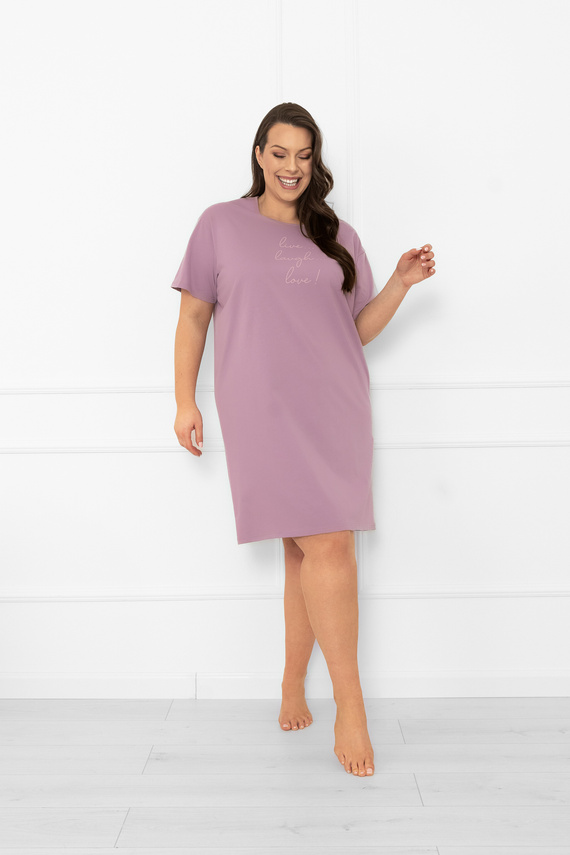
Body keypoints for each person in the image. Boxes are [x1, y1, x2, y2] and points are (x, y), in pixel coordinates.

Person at [170, 103, 436, 778]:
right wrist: (184, 400)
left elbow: (355, 330)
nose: (292, 166)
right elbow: (194, 317)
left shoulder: (336, 233)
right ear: (259, 154)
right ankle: (351, 705)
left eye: (304, 155)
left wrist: (400, 284)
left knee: (311, 550)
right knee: (325, 545)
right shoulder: (219, 224)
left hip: (335, 406)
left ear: (315, 162)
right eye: (280, 152)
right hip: (260, 409)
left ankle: (295, 684)